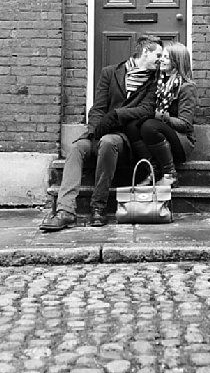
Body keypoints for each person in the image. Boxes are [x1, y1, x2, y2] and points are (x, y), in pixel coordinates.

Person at [40, 34, 163, 232]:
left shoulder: (154, 81)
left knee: (107, 143)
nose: (160, 60)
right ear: (145, 52)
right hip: (100, 132)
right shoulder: (110, 73)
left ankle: (98, 206)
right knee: (78, 148)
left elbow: (146, 110)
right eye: (157, 55)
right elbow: (98, 108)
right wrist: (94, 130)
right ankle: (65, 211)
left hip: (123, 137)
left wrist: (116, 116)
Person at [124, 41, 196, 188]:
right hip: (159, 138)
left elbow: (185, 124)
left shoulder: (186, 88)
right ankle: (154, 170)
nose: (161, 60)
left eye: (166, 57)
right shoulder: (159, 83)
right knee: (132, 126)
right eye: (161, 56)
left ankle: (170, 174)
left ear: (177, 62)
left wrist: (162, 117)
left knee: (149, 126)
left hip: (181, 141)